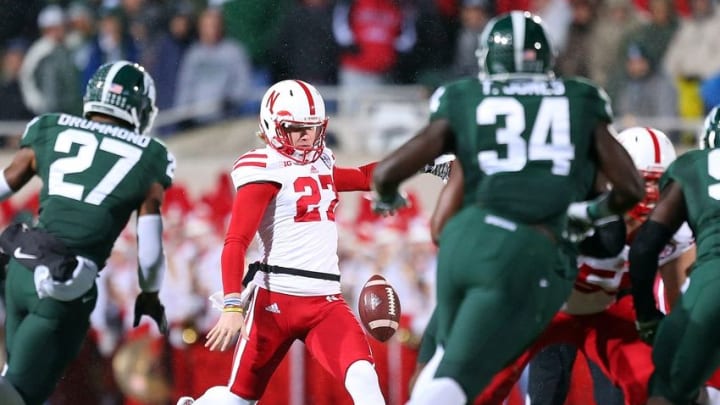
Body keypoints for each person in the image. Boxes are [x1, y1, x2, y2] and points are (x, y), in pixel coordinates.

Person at [372, 11, 645, 404]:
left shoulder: (464, 100)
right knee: (468, 375)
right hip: (530, 253)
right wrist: (585, 215)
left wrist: (386, 195)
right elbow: (628, 189)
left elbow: (391, 177)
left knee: (440, 358)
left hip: (463, 242)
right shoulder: (578, 102)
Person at [176, 79, 386, 405]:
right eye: (295, 128)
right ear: (272, 127)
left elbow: (363, 176)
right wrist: (232, 304)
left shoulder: (322, 163)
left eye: (312, 129)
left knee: (365, 381)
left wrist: (422, 159)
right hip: (275, 302)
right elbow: (235, 241)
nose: (306, 137)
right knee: (240, 400)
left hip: (324, 303)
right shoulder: (263, 167)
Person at [0, 60, 174, 405]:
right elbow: (150, 250)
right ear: (140, 109)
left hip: (21, 267)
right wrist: (150, 294)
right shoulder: (150, 156)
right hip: (65, 284)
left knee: (16, 392)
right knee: (19, 392)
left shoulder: (50, 126)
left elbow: (6, 182)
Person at [629, 106, 720, 405]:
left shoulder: (692, 175)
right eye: (643, 182)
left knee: (669, 380)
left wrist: (647, 318)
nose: (651, 194)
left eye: (657, 182)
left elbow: (645, 250)